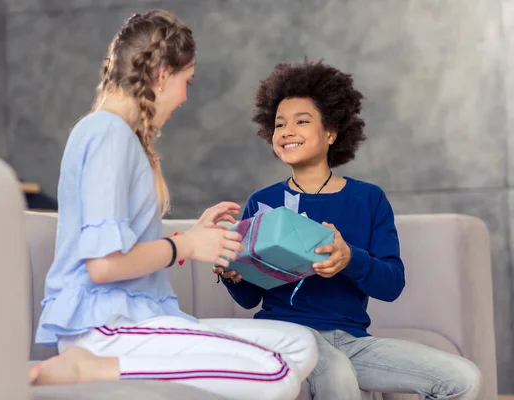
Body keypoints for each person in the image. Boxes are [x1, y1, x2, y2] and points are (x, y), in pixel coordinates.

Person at [28, 10, 317, 400]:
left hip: (136, 318)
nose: (184, 98)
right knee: (276, 374)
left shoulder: (116, 136)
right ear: (162, 74)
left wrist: (192, 233)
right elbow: (103, 265)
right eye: (187, 82)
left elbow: (120, 241)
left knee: (301, 344)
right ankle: (92, 367)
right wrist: (188, 246)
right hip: (108, 328)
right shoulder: (107, 134)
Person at [213, 59, 482, 399]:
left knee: (463, 377)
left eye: (301, 121)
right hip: (290, 339)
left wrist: (349, 258)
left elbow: (392, 284)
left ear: (331, 132)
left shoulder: (368, 199)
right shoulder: (263, 201)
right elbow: (251, 297)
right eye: (280, 124)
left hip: (354, 342)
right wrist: (233, 274)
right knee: (336, 374)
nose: (287, 131)